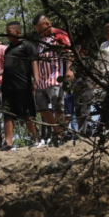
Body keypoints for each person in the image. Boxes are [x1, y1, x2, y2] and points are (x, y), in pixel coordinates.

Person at [0, 21, 40, 151]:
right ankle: (8, 143)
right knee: (7, 114)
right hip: (7, 87)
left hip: (22, 86)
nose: (7, 34)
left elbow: (34, 63)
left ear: (17, 32)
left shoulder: (27, 46)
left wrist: (36, 81)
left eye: (9, 32)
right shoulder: (8, 49)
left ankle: (35, 140)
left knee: (27, 114)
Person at [32, 14, 73, 147]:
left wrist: (68, 70)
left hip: (55, 77)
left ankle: (60, 135)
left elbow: (69, 52)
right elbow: (36, 60)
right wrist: (36, 80)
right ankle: (58, 132)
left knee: (57, 107)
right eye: (37, 30)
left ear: (47, 24)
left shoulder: (59, 35)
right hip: (42, 80)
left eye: (40, 29)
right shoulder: (41, 41)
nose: (40, 32)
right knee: (42, 107)